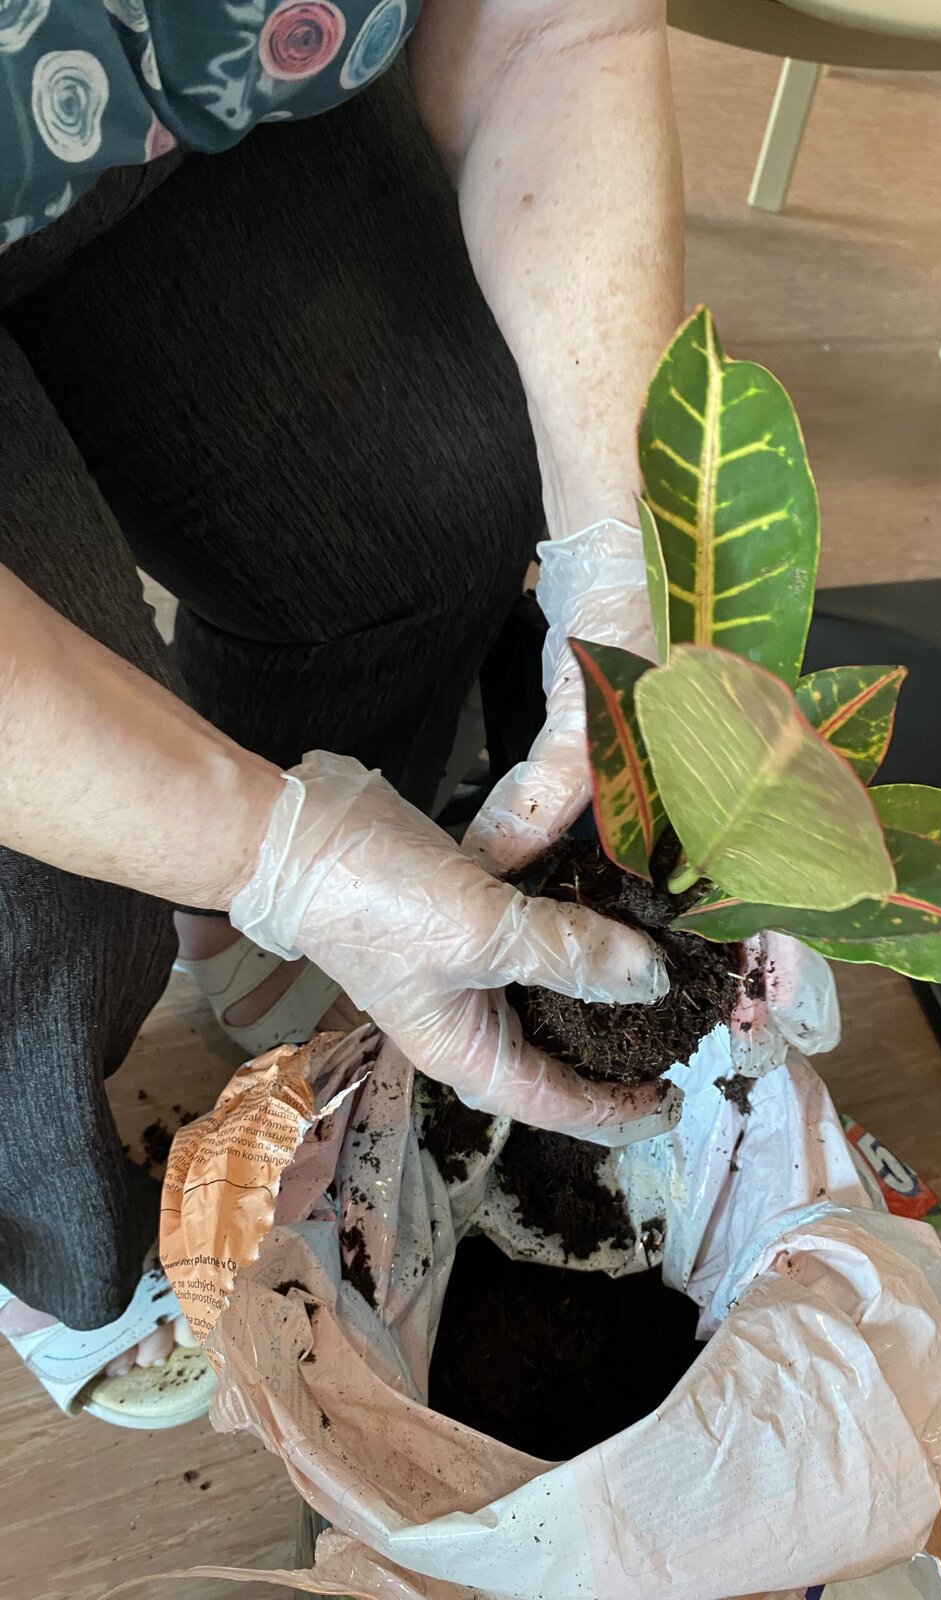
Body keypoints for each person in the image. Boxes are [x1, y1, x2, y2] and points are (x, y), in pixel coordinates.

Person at [0, 0, 683, 1425]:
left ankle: (234, 926)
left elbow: (559, 30)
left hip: (170, 105)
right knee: (39, 893)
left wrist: (615, 543)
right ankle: (50, 1237)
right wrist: (279, 852)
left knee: (442, 476)